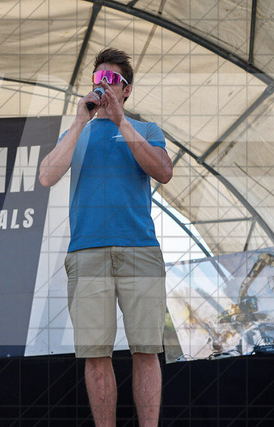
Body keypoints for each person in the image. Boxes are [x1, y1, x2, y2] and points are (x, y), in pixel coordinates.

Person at [39, 47, 173, 426]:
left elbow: (163, 171)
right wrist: (80, 121)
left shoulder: (147, 129)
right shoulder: (76, 132)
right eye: (99, 78)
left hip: (140, 249)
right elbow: (47, 175)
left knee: (146, 350)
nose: (104, 85)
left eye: (113, 79)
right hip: (87, 253)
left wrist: (121, 122)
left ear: (126, 90)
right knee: (96, 354)